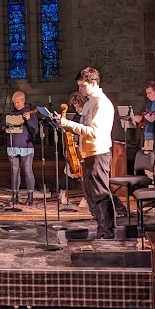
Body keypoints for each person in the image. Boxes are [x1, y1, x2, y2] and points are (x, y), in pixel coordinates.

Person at [55, 67, 116, 239]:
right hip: (87, 153)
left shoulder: (101, 103)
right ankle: (100, 228)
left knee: (100, 193)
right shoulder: (89, 102)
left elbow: (94, 131)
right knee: (90, 195)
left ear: (94, 83)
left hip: (98, 153)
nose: (80, 89)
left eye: (83, 86)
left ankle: (108, 231)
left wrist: (68, 124)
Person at [5, 91, 39, 205]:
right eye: (14, 103)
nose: (16, 105)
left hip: (26, 146)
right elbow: (1, 125)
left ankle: (30, 196)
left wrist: (29, 119)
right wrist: (5, 126)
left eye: (18, 102)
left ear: (23, 101)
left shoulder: (30, 113)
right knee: (14, 171)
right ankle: (14, 196)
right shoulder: (11, 113)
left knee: (28, 170)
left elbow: (35, 131)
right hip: (13, 146)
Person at [58, 91, 88, 209]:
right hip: (75, 149)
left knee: (83, 175)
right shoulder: (76, 116)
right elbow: (71, 132)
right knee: (67, 171)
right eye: (75, 106)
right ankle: (63, 192)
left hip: (85, 148)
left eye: (78, 106)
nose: (77, 108)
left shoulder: (88, 116)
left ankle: (86, 197)